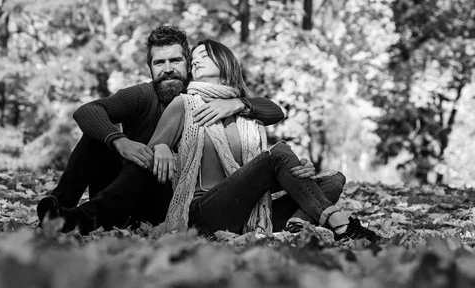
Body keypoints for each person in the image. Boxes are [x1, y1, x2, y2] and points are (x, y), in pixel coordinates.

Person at [37, 25, 297, 231]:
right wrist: (120, 141)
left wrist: (238, 104)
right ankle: (57, 211)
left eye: (175, 60)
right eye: (159, 63)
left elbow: (273, 110)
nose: (168, 69)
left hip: (168, 200)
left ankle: (79, 220)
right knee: (97, 138)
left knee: (153, 162)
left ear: (189, 63)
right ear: (150, 68)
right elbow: (87, 110)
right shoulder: (143, 95)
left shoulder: (204, 97)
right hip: (121, 191)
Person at [146, 39, 380, 241]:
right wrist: (162, 146)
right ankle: (342, 225)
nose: (195, 61)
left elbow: (274, 116)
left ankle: (296, 228)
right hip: (203, 211)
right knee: (277, 154)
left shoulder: (248, 116)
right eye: (193, 58)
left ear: (224, 62)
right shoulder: (185, 104)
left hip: (247, 212)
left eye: (204, 55)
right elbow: (152, 149)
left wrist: (296, 172)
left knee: (333, 179)